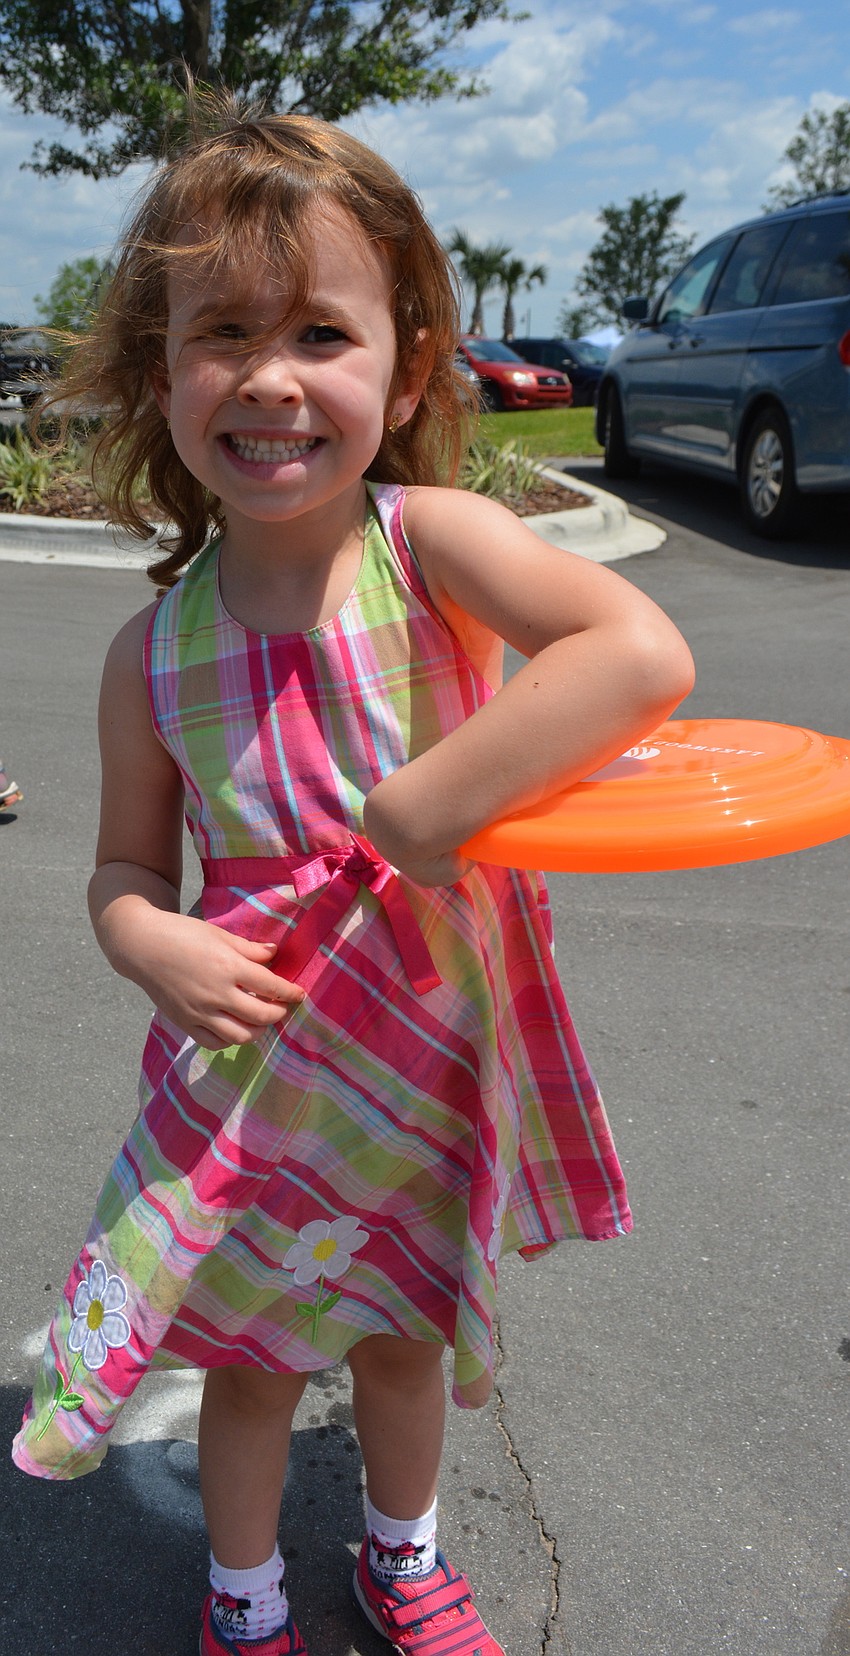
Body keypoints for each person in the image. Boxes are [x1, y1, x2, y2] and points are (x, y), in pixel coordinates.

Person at [12, 95, 695, 1656]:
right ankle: (242, 1597)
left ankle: (403, 1555)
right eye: (221, 332)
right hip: (249, 1081)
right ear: (156, 370)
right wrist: (146, 941)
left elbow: (636, 649)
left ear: (401, 374)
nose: (268, 376)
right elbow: (124, 863)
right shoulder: (153, 649)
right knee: (249, 1362)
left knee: (399, 1342)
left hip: (423, 1059)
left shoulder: (434, 546)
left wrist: (420, 803)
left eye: (321, 330)